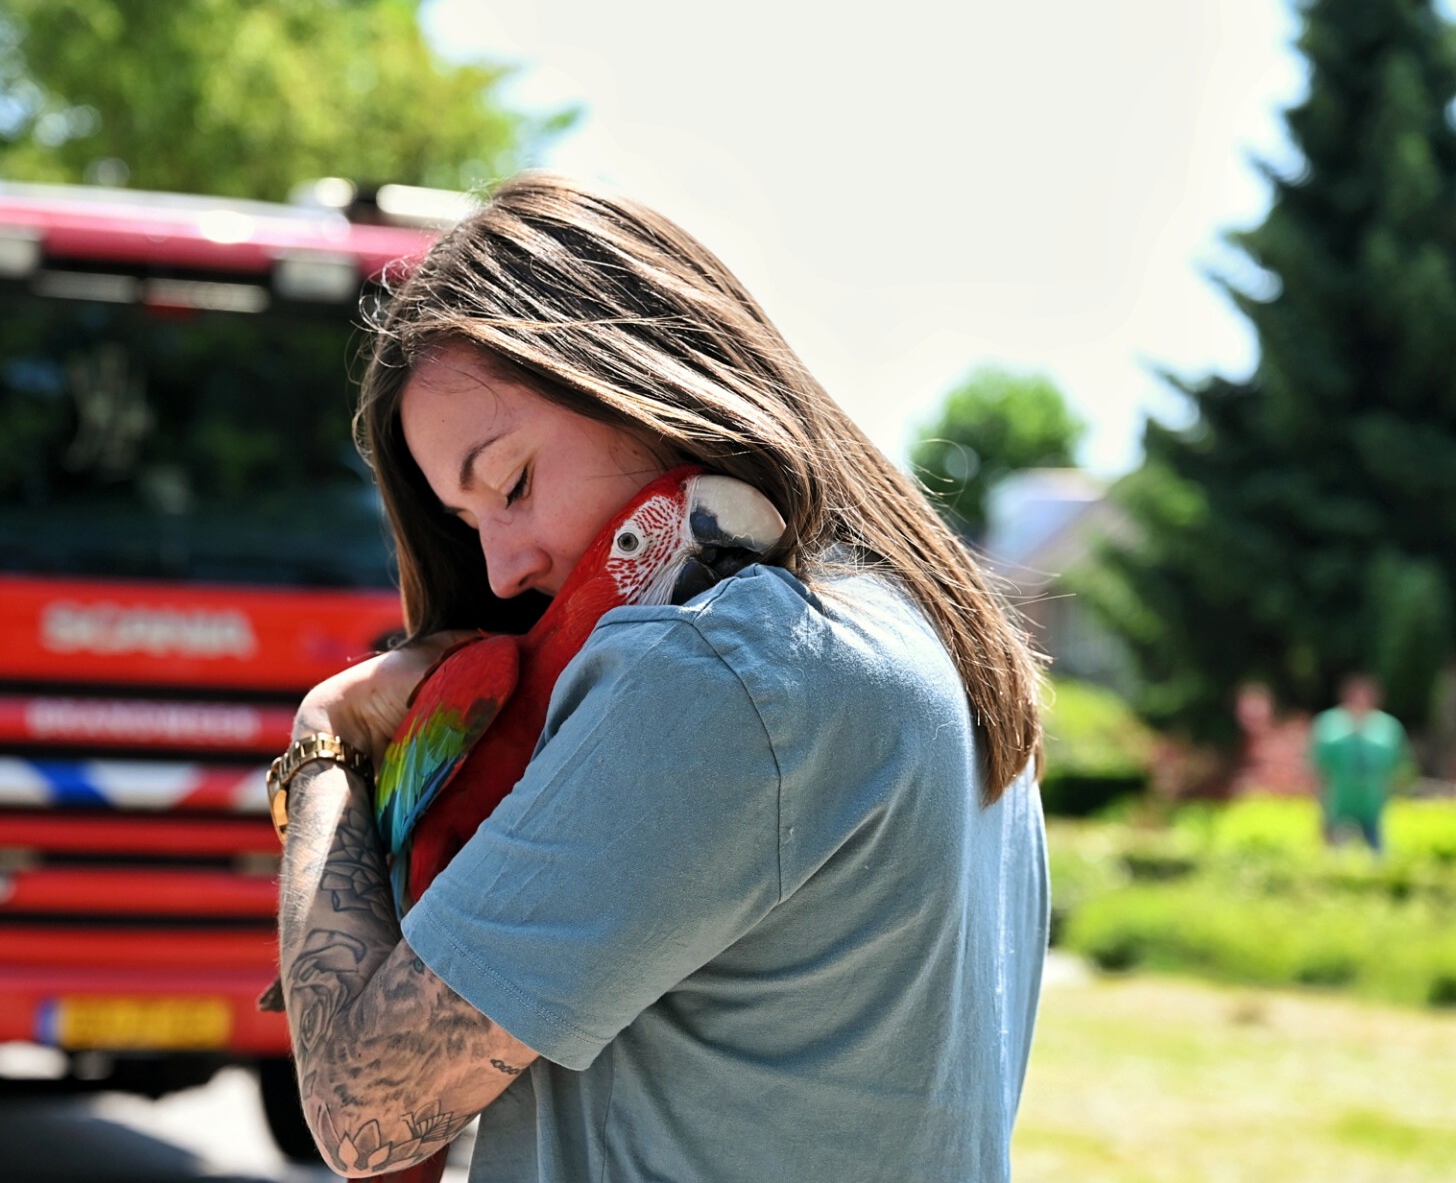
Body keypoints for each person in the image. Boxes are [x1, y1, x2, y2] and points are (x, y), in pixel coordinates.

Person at [270, 174, 1050, 1180]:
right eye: (468, 527)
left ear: (646, 379)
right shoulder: (925, 635)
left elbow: (362, 1106)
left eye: (511, 482)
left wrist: (324, 745)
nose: (502, 567)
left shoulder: (724, 670)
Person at [1309, 674, 1410, 853]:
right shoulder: (1329, 724)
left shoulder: (1388, 727)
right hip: (1338, 804)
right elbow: (1317, 764)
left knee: (1377, 855)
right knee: (1334, 856)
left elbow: (1399, 766)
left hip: (1373, 805)